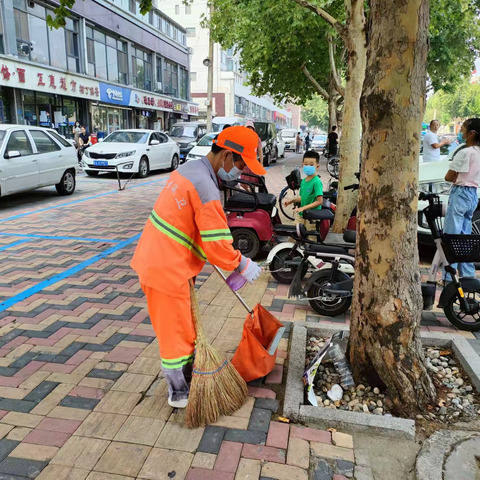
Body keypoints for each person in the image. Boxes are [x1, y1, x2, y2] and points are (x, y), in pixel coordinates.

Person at [131, 126, 265, 409]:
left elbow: (192, 226)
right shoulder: (206, 188)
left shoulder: (191, 169)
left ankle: (188, 376)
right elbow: (217, 244)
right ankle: (179, 392)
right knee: (175, 333)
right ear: (228, 155)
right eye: (241, 164)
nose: (240, 172)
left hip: (162, 259)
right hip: (166, 269)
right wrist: (242, 263)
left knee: (183, 326)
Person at [443, 118, 480, 280]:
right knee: (465, 235)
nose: (461, 132)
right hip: (473, 194)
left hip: (460, 193)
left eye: (463, 129)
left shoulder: (465, 152)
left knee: (451, 234)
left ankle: (449, 276)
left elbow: (449, 176)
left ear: (471, 134)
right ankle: (468, 274)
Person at [284, 150, 323, 227]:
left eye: (311, 165)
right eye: (306, 164)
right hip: (302, 215)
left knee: (310, 237)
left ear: (317, 166)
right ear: (302, 165)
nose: (308, 166)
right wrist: (292, 201)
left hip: (312, 217)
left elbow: (319, 201)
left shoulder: (317, 182)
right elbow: (303, 198)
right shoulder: (304, 181)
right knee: (294, 234)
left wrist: (304, 208)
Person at [241, 120, 264, 187]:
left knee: (253, 181)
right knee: (243, 184)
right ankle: (250, 193)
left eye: (250, 128)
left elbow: (260, 151)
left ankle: (252, 194)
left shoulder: (257, 139)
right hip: (244, 163)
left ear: (253, 129)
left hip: (253, 163)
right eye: (247, 127)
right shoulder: (242, 138)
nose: (249, 129)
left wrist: (261, 163)